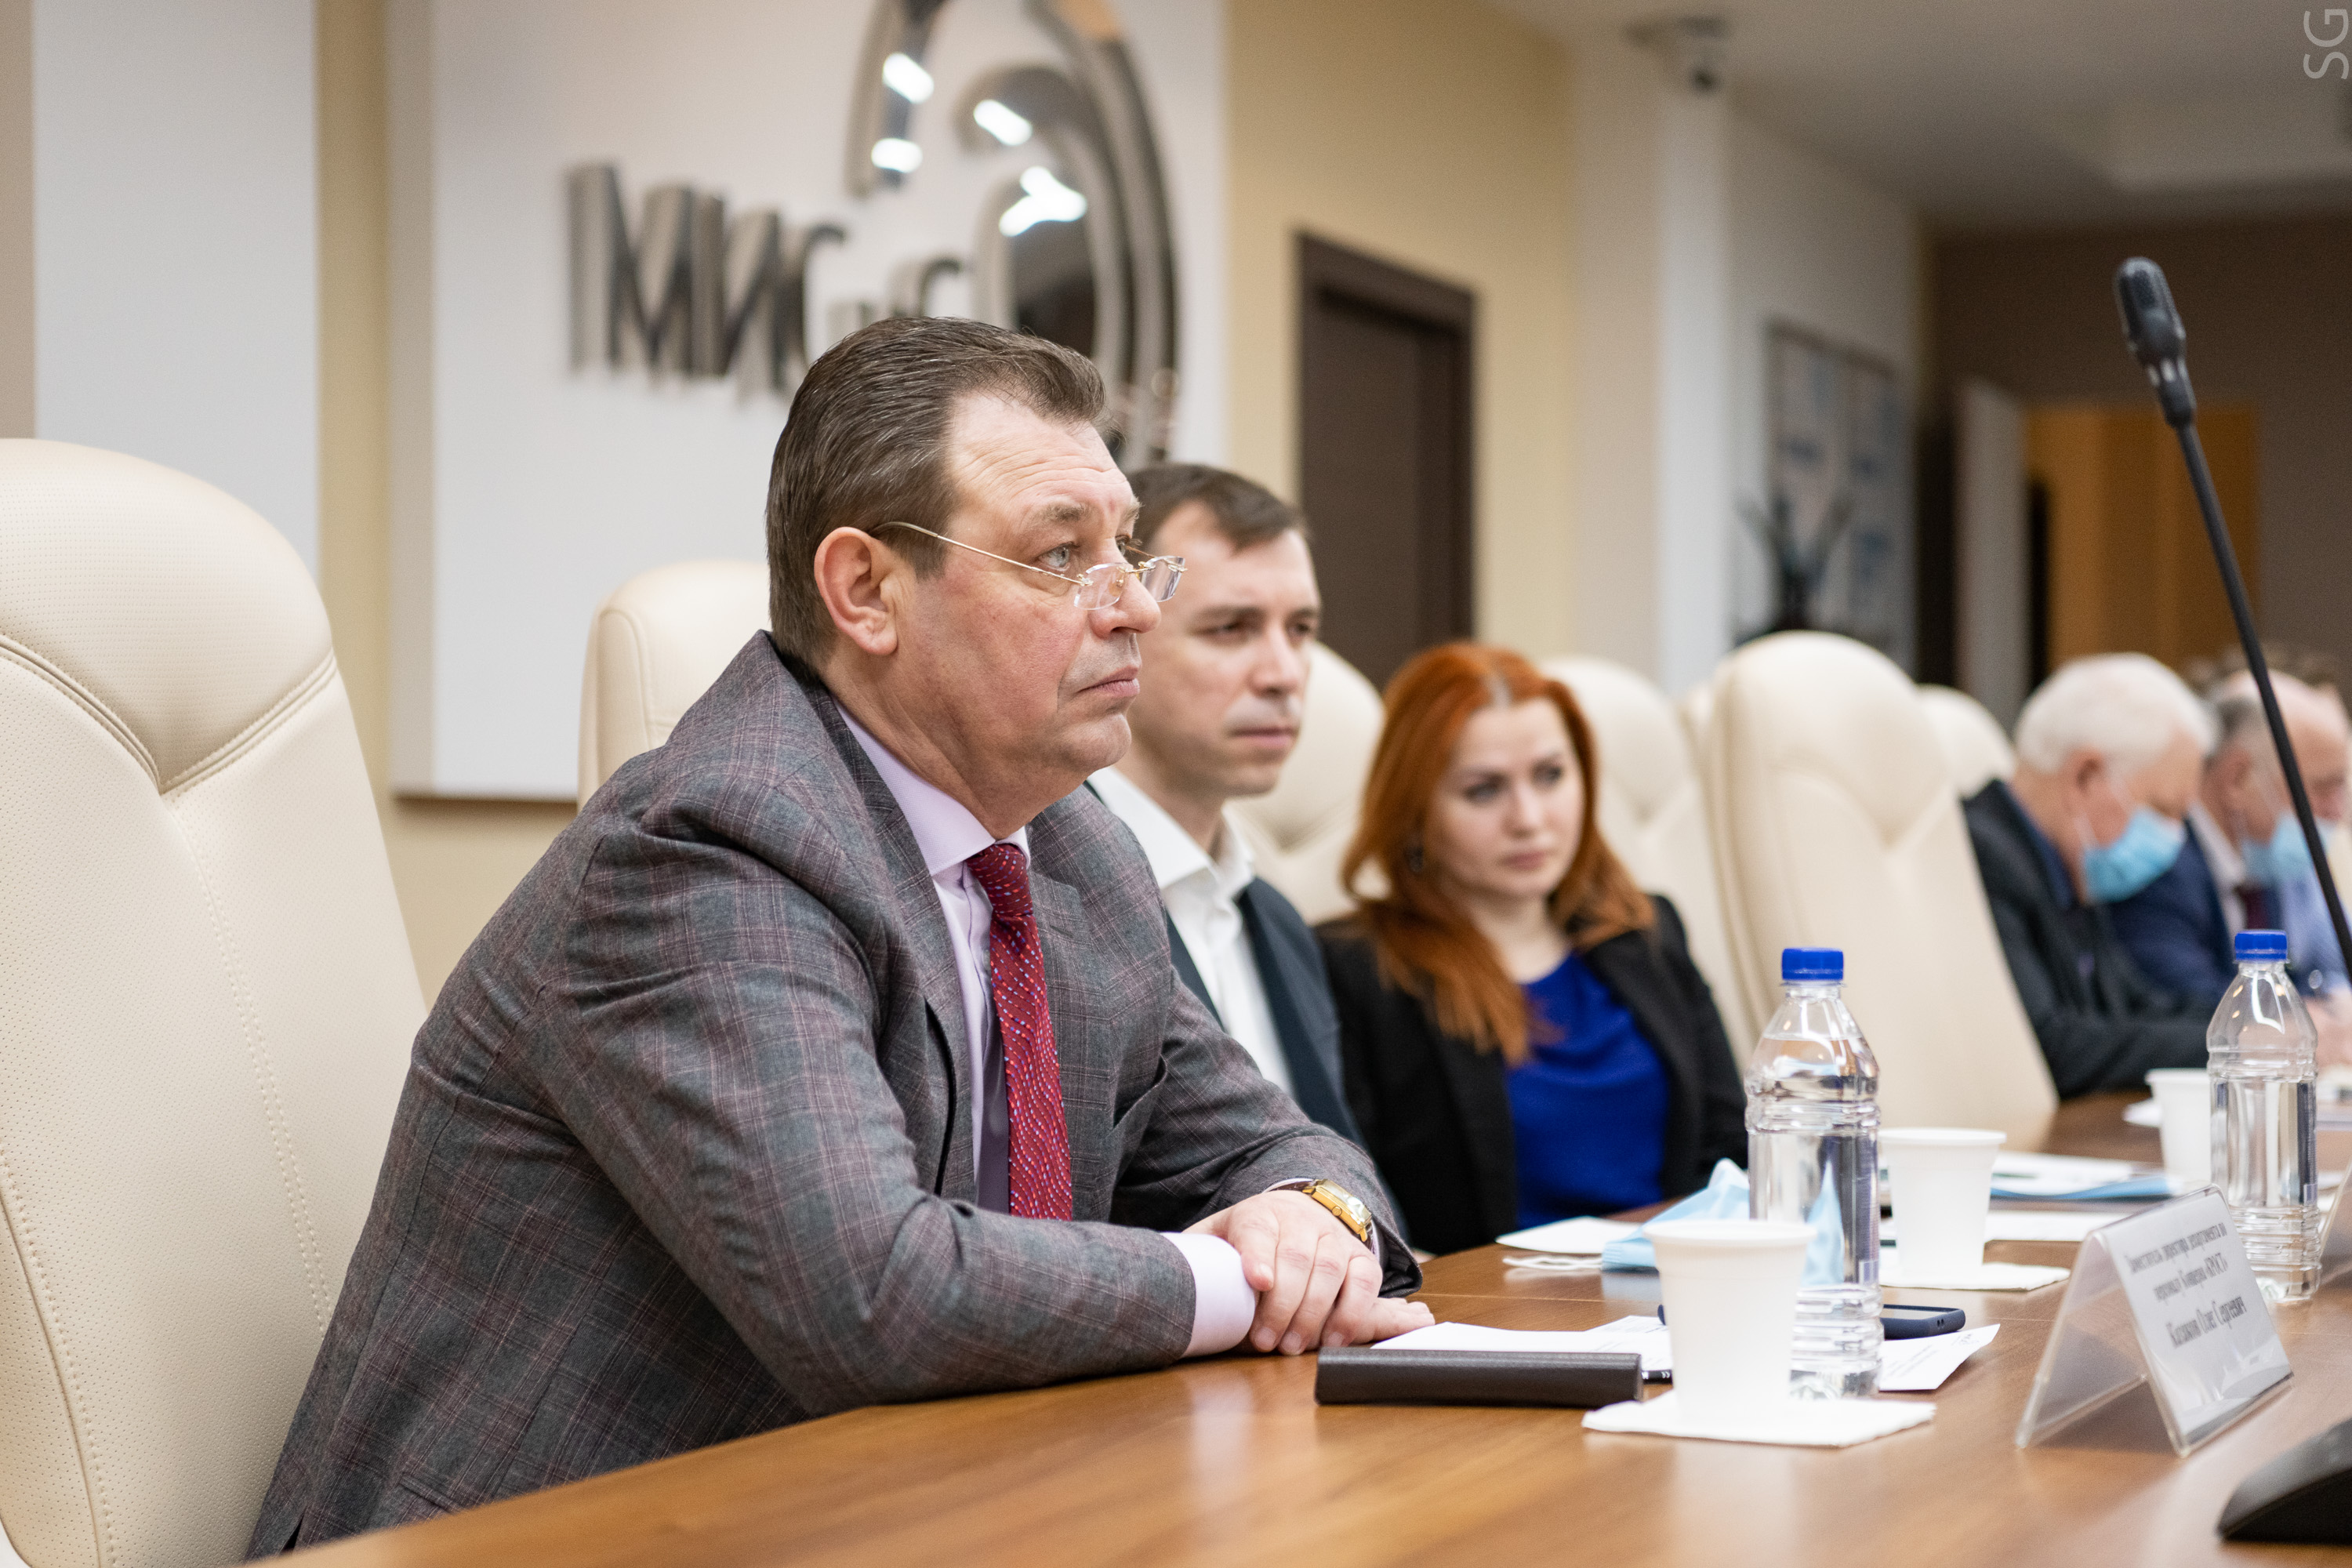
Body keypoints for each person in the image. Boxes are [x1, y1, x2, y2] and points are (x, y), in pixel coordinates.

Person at [249, 318, 1427, 1552]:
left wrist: (1317, 1219)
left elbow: (1287, 1147)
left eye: (1128, 550)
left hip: (897, 1516)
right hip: (537, 1538)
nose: (1134, 606)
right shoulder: (710, 846)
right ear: (866, 591)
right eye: (1062, 556)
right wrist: (1234, 1277)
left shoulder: (1074, 849)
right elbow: (877, 1295)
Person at [1318, 644, 1746, 1258]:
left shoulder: (1646, 933)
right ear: (1414, 809)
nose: (1529, 818)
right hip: (1487, 1306)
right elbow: (1355, 1204)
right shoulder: (1355, 969)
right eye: (1483, 790)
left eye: (1550, 776)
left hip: (1673, 1285)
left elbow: (1731, 1154)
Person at [1087, 463, 1358, 1139]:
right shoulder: (1041, 890)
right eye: (1231, 628)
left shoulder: (1282, 923)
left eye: (1301, 629)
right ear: (1124, 626)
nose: (1284, 675)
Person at [1962, 654, 2217, 1098]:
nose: (2175, 838)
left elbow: (2137, 1006)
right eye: (2162, 810)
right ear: (2085, 776)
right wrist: (2233, 1045)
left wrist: (2251, 1024)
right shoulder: (1982, 853)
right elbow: (2051, 1046)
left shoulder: (2071, 868)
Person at [2112, 672, 2352, 1004]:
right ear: (2237, 778)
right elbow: (2190, 1003)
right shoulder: (2158, 868)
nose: (2337, 811)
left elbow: (2303, 978)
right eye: (2322, 788)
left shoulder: (2264, 862)